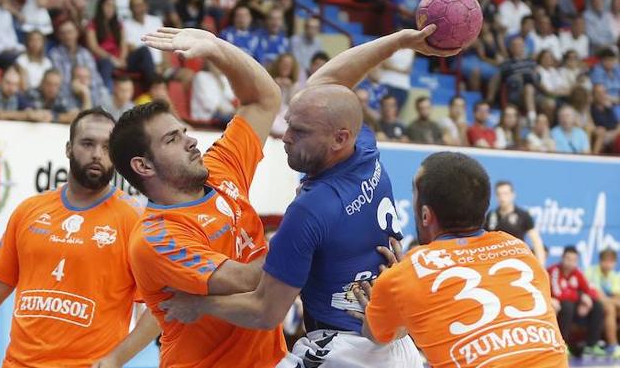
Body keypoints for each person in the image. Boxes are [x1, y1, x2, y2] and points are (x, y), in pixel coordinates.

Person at [157, 24, 458, 368]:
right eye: (289, 123)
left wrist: (199, 305)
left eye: (299, 132)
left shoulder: (312, 209)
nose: (285, 137)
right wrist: (401, 41)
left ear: (338, 139)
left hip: (345, 350)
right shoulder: (362, 147)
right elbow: (327, 82)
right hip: (392, 343)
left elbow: (266, 311)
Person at [108, 27, 287, 367]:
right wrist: (310, 222)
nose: (191, 142)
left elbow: (264, 99)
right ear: (143, 165)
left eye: (184, 132)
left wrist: (216, 48)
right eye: (172, 140)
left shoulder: (218, 169)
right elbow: (249, 280)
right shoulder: (156, 238)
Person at [348, 151, 567, 367]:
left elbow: (376, 335)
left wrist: (392, 296)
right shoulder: (521, 250)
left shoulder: (405, 274)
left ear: (425, 215)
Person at [0, 108, 160, 367]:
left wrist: (116, 359)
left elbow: (159, 307)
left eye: (107, 147)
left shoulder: (134, 220)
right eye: (87, 143)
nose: (97, 154)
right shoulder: (29, 210)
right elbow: (0, 283)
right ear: (69, 148)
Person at [548, 246, 605, 356]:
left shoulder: (577, 272)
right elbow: (558, 294)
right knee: (567, 305)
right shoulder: (554, 270)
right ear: (562, 258)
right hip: (560, 307)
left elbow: (590, 290)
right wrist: (580, 296)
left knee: (597, 305)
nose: (570, 263)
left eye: (574, 260)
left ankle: (592, 345)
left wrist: (586, 302)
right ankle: (562, 345)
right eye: (568, 259)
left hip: (576, 309)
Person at [484, 181, 546, 265]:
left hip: (518, 261)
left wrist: (541, 265)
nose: (502, 198)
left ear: (513, 195)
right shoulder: (491, 215)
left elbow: (536, 241)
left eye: (505, 194)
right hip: (496, 262)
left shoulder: (523, 215)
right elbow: (483, 240)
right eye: (499, 194)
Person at [586, 248, 620, 358]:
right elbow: (597, 295)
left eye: (611, 261)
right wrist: (612, 301)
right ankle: (613, 346)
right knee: (610, 308)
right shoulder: (590, 272)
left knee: (613, 308)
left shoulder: (615, 276)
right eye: (605, 260)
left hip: (609, 304)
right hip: (591, 305)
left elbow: (617, 297)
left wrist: (612, 301)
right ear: (600, 261)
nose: (608, 264)